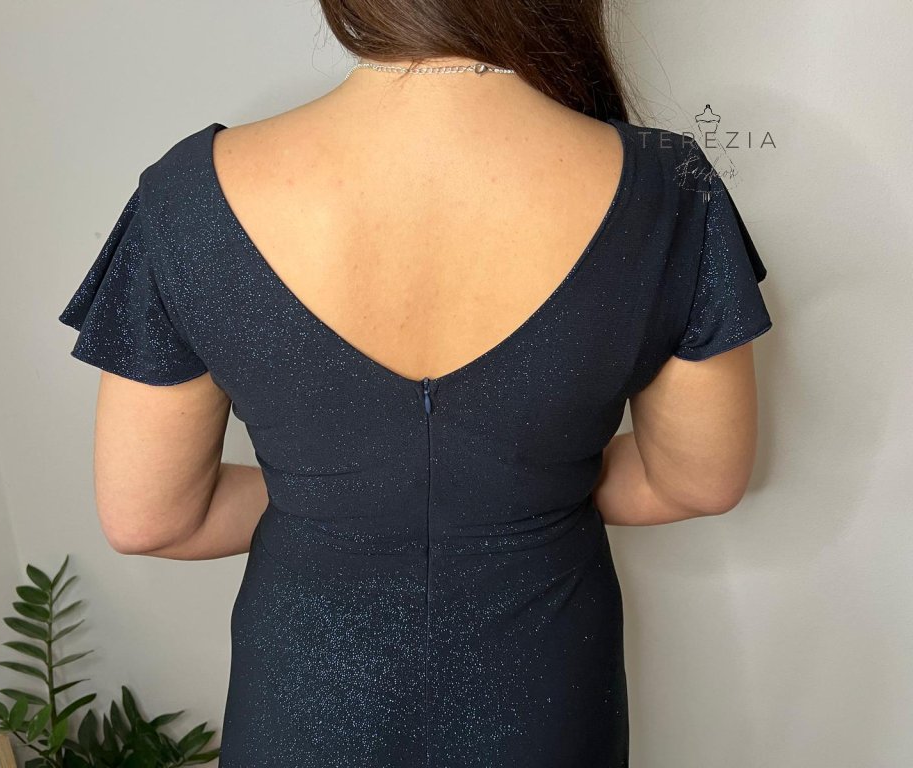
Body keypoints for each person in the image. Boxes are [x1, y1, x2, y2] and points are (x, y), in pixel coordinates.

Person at [58, 3, 773, 765]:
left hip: (306, 703)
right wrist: (518, 483)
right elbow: (695, 481)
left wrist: (333, 493)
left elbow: (152, 519)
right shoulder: (673, 188)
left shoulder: (186, 196)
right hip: (546, 693)